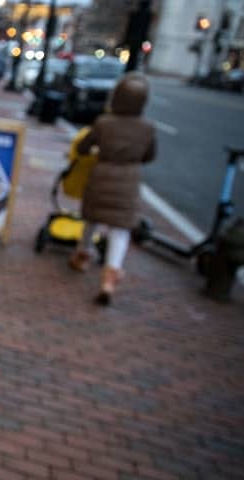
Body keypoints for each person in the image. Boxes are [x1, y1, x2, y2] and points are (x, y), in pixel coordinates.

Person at [68, 72, 156, 305]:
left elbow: (85, 147)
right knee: (120, 229)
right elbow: (149, 155)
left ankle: (82, 255)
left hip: (102, 175)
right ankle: (110, 276)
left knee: (92, 219)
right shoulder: (148, 128)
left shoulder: (104, 123)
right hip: (128, 179)